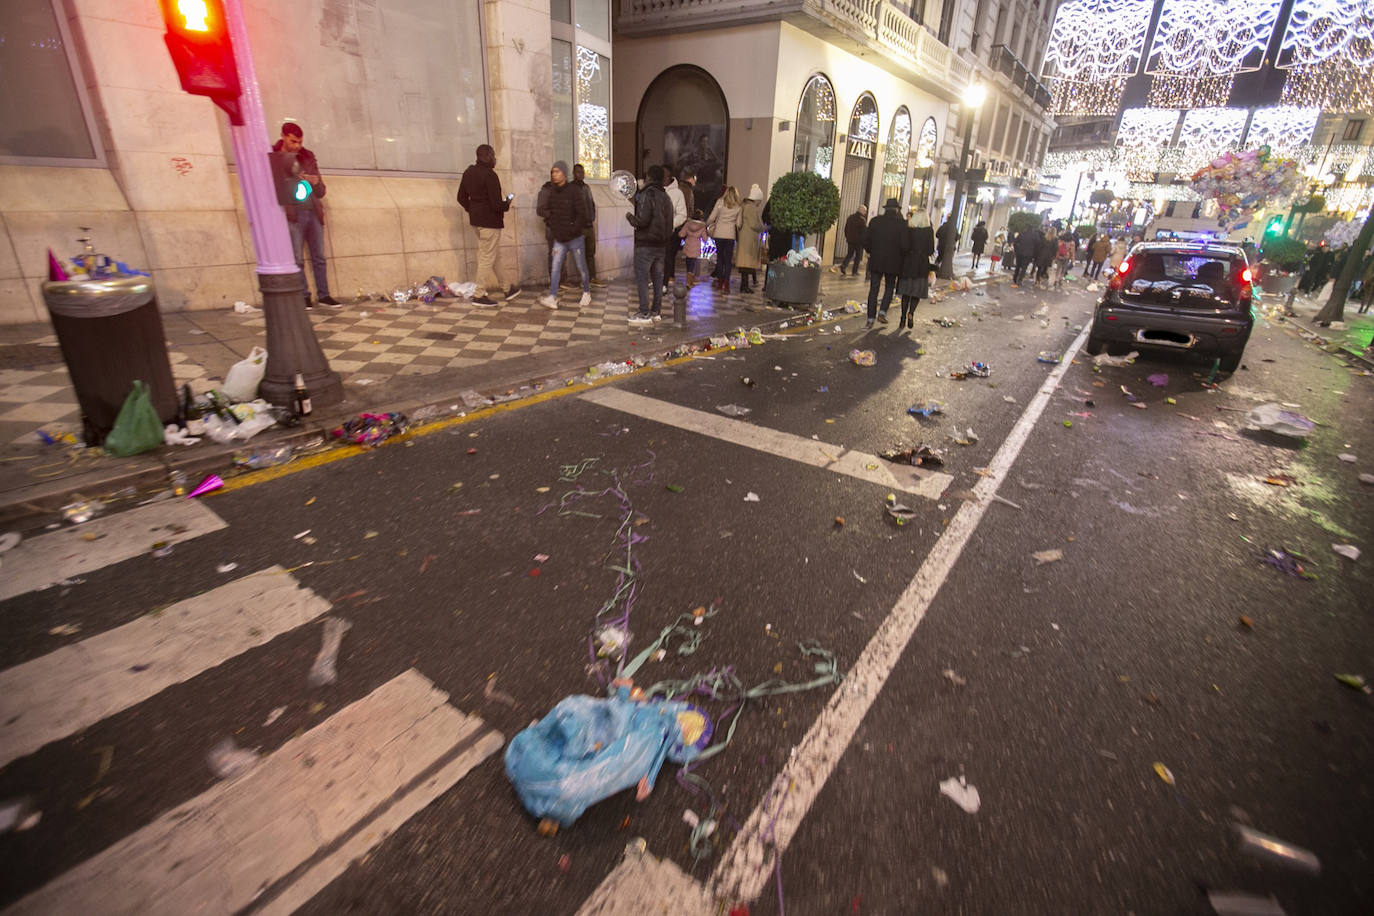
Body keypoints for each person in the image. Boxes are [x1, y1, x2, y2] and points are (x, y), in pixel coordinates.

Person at [273, 123, 339, 308]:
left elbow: (321, 191)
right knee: (297, 258)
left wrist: (315, 182)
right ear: (284, 136)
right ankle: (304, 296)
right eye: (293, 141)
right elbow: (273, 187)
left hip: (312, 210)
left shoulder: (307, 156)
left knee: (319, 257)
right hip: (293, 213)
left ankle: (324, 295)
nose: (297, 146)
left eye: (300, 142)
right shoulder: (275, 157)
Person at [458, 143, 522, 307]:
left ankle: (507, 289)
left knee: (494, 255)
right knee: (487, 258)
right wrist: (507, 203)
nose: (495, 159)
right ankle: (479, 295)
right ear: (486, 156)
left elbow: (461, 197)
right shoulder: (490, 175)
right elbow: (496, 205)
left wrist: (472, 209)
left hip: (476, 222)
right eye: (493, 156)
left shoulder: (468, 172)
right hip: (490, 223)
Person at [535, 161, 591, 311]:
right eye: (553, 172)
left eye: (557, 171)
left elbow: (582, 213)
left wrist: (573, 229)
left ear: (564, 174)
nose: (554, 174)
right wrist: (554, 226)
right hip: (559, 238)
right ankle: (553, 296)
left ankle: (586, 291)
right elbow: (550, 212)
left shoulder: (574, 191)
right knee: (555, 267)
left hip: (575, 238)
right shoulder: (552, 191)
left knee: (581, 266)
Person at [626, 165, 674, 326]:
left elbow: (643, 221)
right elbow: (670, 224)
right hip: (661, 245)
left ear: (650, 178)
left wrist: (630, 218)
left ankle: (644, 312)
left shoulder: (647, 194)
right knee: (658, 280)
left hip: (645, 244)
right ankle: (656, 312)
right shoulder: (666, 197)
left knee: (642, 279)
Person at [862, 198, 908, 329]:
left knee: (873, 289)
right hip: (893, 263)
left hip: (876, 261)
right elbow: (905, 246)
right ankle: (882, 312)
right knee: (889, 287)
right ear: (897, 210)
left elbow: (866, 240)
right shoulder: (902, 224)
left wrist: (871, 251)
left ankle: (870, 319)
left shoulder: (875, 221)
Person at [897, 210, 936, 329]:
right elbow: (931, 250)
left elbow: (903, 247)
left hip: (908, 264)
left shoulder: (909, 230)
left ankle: (902, 317)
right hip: (921, 265)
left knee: (906, 293)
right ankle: (911, 313)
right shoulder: (929, 231)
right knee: (916, 293)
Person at [572, 164, 605, 287]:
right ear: (574, 173)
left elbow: (591, 204)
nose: (580, 174)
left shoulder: (586, 187)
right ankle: (583, 278)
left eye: (582, 172)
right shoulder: (571, 188)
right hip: (579, 227)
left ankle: (592, 277)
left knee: (590, 253)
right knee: (580, 254)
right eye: (578, 172)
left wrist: (592, 217)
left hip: (589, 225)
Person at [706, 185, 743, 292]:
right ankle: (726, 284)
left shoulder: (720, 202)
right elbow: (739, 224)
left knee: (720, 259)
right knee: (728, 261)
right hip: (730, 235)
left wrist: (706, 224)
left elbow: (712, 217)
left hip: (719, 234)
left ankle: (720, 282)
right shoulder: (739, 206)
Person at [736, 184, 765, 293]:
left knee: (745, 264)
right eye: (759, 201)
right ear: (756, 199)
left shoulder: (745, 206)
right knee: (746, 264)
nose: (759, 203)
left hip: (745, 238)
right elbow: (754, 224)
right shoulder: (751, 208)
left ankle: (744, 285)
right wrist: (763, 228)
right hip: (749, 239)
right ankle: (744, 286)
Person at [662, 166, 689, 287]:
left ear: (669, 177)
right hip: (655, 231)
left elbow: (682, 214)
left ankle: (667, 280)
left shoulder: (677, 193)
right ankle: (657, 279)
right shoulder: (656, 190)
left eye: (664, 175)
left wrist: (670, 225)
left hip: (670, 232)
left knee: (668, 256)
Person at [679, 209, 707, 287]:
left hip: (688, 246)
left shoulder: (688, 224)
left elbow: (681, 234)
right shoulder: (702, 226)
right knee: (693, 265)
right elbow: (705, 239)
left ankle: (688, 281)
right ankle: (690, 281)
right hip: (696, 247)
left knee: (688, 264)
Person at [837, 205, 868, 275]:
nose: (865, 212)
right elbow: (864, 232)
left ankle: (844, 265)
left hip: (850, 240)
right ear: (862, 210)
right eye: (865, 211)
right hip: (858, 242)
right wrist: (864, 242)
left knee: (850, 254)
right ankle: (854, 271)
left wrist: (847, 237)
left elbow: (846, 228)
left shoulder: (850, 217)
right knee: (858, 256)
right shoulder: (862, 220)